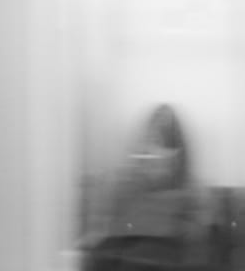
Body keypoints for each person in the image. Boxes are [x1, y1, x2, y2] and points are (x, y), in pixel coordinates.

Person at [82, 104, 212, 271]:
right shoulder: (123, 191)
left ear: (178, 153)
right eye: (151, 143)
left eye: (165, 143)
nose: (156, 153)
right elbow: (104, 249)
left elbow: (198, 253)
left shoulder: (193, 198)